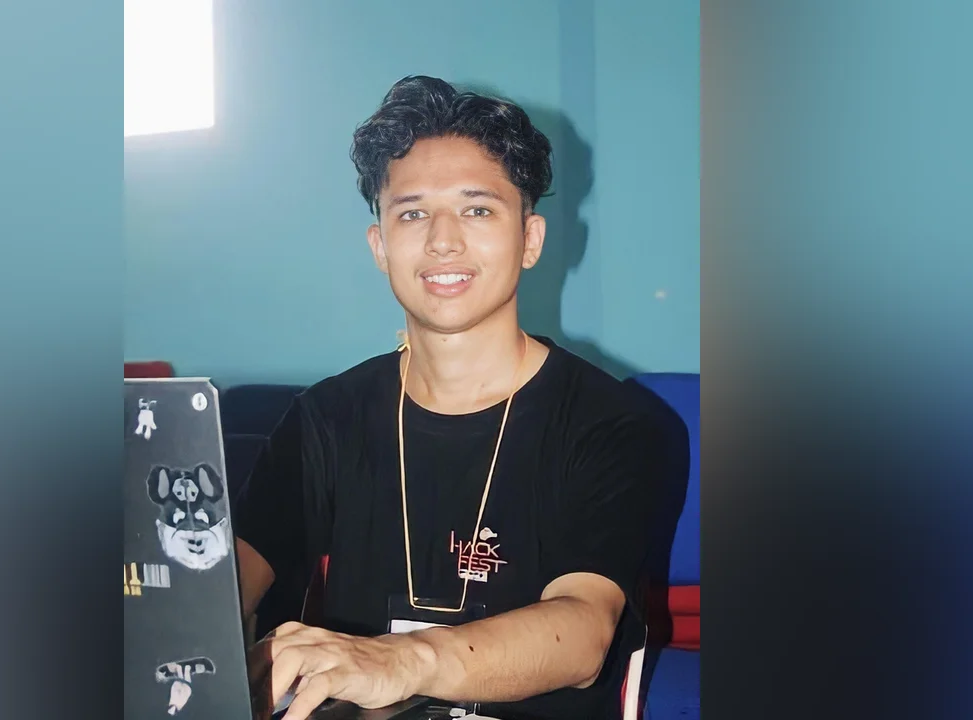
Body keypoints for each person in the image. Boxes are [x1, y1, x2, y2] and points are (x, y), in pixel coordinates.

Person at [234, 75, 666, 720]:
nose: (442, 240)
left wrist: (401, 661)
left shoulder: (612, 423)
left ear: (530, 239)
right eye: (412, 213)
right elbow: (220, 588)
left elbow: (583, 631)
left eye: (477, 209)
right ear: (380, 246)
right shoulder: (325, 418)